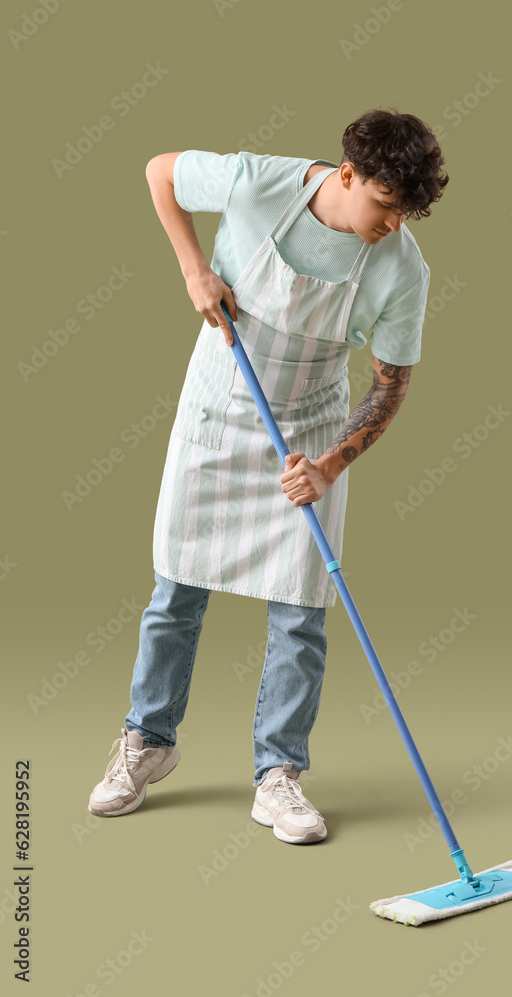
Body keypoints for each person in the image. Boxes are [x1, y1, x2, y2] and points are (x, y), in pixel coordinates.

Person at [88, 107, 449, 844]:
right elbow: (160, 171)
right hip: (221, 402)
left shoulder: (401, 266)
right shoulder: (258, 182)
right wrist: (194, 268)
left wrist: (329, 465)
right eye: (383, 204)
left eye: (405, 212)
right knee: (176, 588)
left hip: (312, 427)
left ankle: (278, 774)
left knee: (300, 607)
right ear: (346, 175)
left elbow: (390, 385)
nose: (391, 223)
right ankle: (147, 742)